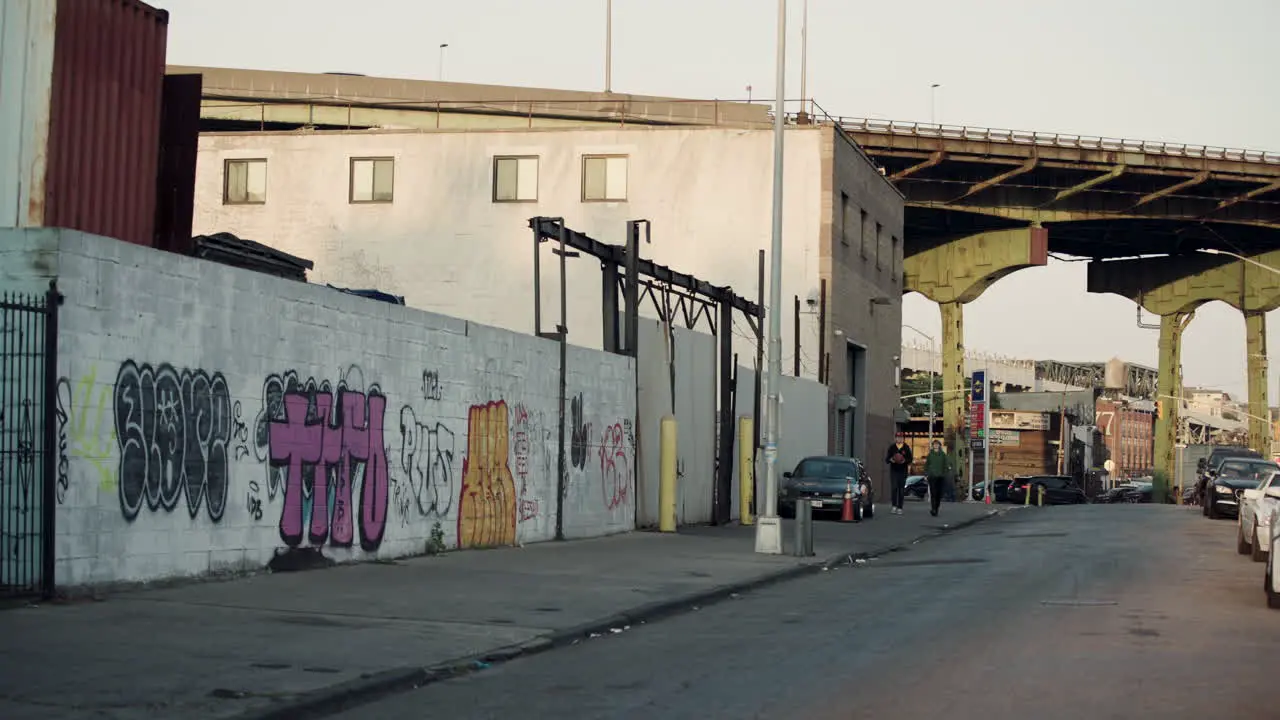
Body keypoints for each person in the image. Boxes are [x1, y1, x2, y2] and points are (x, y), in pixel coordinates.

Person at [885, 432, 914, 515]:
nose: (899, 439)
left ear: (903, 438)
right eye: (898, 437)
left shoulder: (906, 447)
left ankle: (900, 507)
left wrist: (904, 460)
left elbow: (910, 459)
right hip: (894, 470)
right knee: (894, 488)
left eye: (901, 437)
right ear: (895, 438)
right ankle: (894, 505)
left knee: (901, 490)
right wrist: (891, 459)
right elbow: (887, 459)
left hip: (902, 471)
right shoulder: (892, 448)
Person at [923, 440, 952, 517]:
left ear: (939, 445)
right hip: (932, 477)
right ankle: (933, 509)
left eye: (937, 444)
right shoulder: (930, 455)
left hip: (940, 477)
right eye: (934, 444)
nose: (935, 446)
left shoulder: (943, 455)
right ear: (933, 446)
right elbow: (926, 465)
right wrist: (926, 474)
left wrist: (947, 470)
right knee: (933, 493)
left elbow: (946, 464)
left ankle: (936, 507)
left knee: (939, 494)